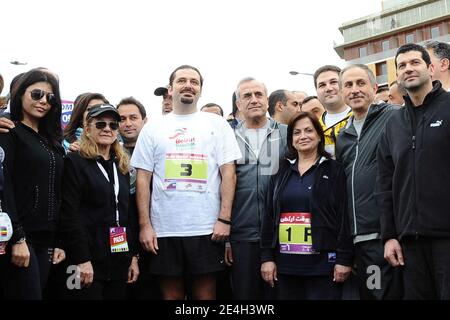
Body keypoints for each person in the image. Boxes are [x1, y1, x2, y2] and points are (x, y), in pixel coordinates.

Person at [131, 65, 241, 300]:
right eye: (182, 80)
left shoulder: (216, 124)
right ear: (170, 89)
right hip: (164, 230)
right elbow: (143, 178)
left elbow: (228, 173)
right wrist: (145, 225)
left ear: (201, 90)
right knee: (171, 297)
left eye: (194, 81)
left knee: (205, 296)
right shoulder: (152, 128)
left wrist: (224, 219)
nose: (188, 85)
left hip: (206, 229)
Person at [375, 43, 450, 299]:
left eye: (415, 63)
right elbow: (384, 184)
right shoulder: (392, 124)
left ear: (430, 68)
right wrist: (389, 236)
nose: (408, 69)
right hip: (409, 244)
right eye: (402, 66)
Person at [261, 112, 352, 300]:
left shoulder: (334, 170)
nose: (303, 136)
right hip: (285, 266)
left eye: (309, 130)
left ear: (319, 135)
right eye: (297, 132)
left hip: (323, 266)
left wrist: (344, 259)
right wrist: (267, 258)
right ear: (291, 140)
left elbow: (345, 217)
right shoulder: (281, 172)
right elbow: (269, 216)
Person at [336, 64, 402, 300]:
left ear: (374, 88)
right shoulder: (343, 136)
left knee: (381, 294)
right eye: (348, 85)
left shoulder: (395, 117)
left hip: (386, 235)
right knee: (373, 294)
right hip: (359, 240)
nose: (355, 90)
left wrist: (391, 232)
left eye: (360, 83)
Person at [60, 104, 139, 299]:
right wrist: (82, 258)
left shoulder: (121, 166)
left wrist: (132, 257)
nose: (107, 129)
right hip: (83, 261)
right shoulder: (75, 162)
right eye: (100, 124)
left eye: (113, 125)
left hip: (118, 259)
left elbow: (127, 214)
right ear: (87, 129)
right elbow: (69, 214)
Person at [0, 68, 66, 299]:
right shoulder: (8, 130)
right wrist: (17, 237)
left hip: (46, 240)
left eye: (50, 97)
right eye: (36, 94)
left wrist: (60, 241)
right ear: (19, 95)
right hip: (19, 237)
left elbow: (59, 193)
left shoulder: (54, 142)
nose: (43, 101)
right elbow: (3, 187)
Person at [226, 77, 288, 300]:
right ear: (238, 105)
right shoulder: (227, 137)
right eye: (247, 96)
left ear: (267, 99)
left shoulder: (287, 133)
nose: (254, 100)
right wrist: (226, 239)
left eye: (258, 94)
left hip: (281, 234)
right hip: (243, 236)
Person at [313, 65, 352, 158]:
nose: (328, 88)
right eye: (322, 85)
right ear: (316, 91)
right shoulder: (314, 129)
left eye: (334, 82)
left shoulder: (363, 118)